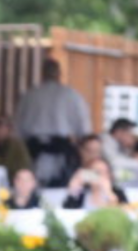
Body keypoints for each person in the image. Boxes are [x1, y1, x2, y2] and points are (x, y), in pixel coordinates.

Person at [15, 58, 92, 186]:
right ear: (59, 73)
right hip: (43, 149)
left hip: (44, 149)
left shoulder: (30, 95)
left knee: (35, 185)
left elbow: (18, 128)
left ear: (42, 73)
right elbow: (84, 129)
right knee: (58, 186)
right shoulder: (72, 95)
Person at [62, 158, 128, 210]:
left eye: (104, 172)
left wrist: (108, 192)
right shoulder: (81, 194)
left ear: (109, 175)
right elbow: (67, 210)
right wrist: (74, 188)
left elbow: (124, 212)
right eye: (96, 172)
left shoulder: (117, 192)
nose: (101, 176)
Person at [102, 117, 138, 186]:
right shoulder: (105, 140)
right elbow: (114, 162)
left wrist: (131, 148)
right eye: (129, 133)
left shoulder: (120, 143)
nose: (132, 136)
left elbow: (127, 158)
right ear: (119, 132)